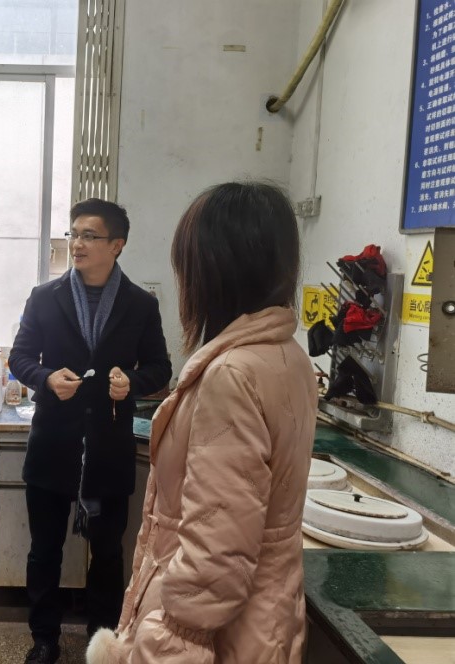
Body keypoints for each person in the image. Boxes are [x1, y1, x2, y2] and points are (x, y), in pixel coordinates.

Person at [86, 182, 318, 664]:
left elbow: (216, 554)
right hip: (266, 612)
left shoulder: (231, 374)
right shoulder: (287, 356)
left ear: (215, 272)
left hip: (220, 632)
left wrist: (162, 642)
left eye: (186, 267)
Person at [9, 198, 172, 664]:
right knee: (44, 551)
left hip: (108, 448)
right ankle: (44, 639)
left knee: (107, 553)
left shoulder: (140, 304)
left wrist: (131, 382)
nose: (77, 244)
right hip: (53, 443)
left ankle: (103, 642)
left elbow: (160, 368)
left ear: (116, 245)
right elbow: (20, 357)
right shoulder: (46, 296)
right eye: (74, 234)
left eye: (89, 235)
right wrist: (46, 379)